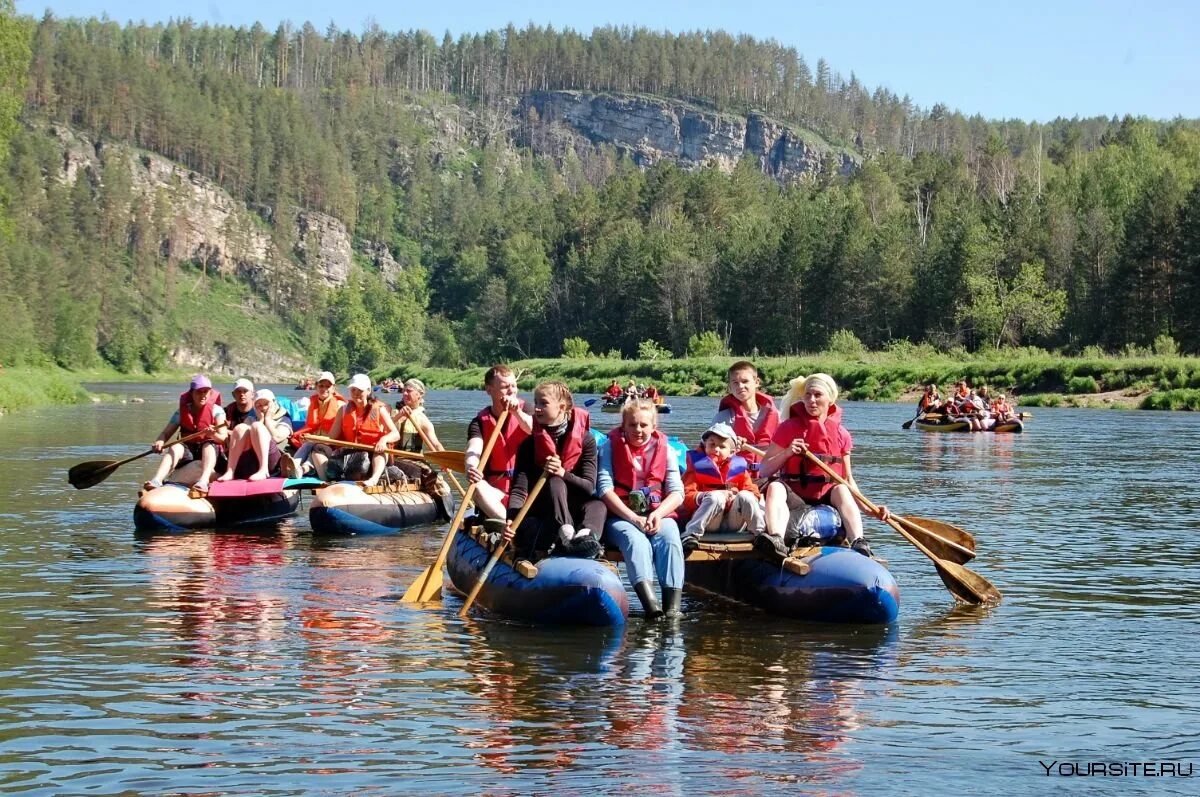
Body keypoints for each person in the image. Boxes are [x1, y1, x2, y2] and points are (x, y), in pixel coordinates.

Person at [757, 373, 887, 558]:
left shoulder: (842, 434)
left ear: (830, 399)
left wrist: (870, 509)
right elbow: (764, 469)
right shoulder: (788, 428)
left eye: (818, 395)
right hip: (794, 495)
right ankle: (776, 539)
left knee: (842, 488)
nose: (811, 400)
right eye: (808, 395)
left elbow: (848, 479)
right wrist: (787, 453)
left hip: (826, 495)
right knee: (776, 486)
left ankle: (859, 541)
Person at [598, 398, 685, 618]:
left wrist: (657, 514)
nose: (638, 430)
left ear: (653, 427)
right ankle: (651, 607)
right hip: (621, 516)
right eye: (632, 425)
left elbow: (677, 491)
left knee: (670, 537)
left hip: (657, 513)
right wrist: (633, 518)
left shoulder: (666, 449)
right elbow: (605, 489)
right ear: (623, 426)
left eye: (644, 425)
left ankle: (673, 609)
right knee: (636, 542)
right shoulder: (609, 446)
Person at [502, 381, 605, 560]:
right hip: (544, 509)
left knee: (598, 505)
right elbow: (519, 490)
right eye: (536, 403)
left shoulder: (586, 441)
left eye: (544, 403)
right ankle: (567, 536)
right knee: (555, 481)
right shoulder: (529, 445)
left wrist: (563, 472)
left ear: (561, 407)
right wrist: (511, 518)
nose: (537, 409)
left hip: (575, 505)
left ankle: (586, 538)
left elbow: (589, 487)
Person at [465, 365, 533, 521]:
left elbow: (533, 429)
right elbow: (473, 449)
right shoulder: (479, 422)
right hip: (497, 493)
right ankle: (505, 524)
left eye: (514, 386)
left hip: (527, 490)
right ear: (489, 390)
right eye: (505, 387)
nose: (511, 391)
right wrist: (471, 467)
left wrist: (517, 412)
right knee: (477, 485)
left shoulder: (528, 410)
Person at [680, 422, 763, 550]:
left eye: (722, 446)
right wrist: (706, 495)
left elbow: (754, 493)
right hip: (709, 523)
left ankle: (760, 534)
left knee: (746, 495)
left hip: (733, 521)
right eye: (712, 444)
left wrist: (734, 496)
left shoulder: (739, 467)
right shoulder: (696, 468)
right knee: (716, 497)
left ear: (732, 452)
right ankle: (690, 534)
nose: (716, 449)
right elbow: (686, 497)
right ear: (705, 445)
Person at [308, 373, 400, 487]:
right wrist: (312, 439)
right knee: (318, 448)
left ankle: (373, 479)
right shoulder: (343, 409)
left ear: (368, 390)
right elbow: (331, 438)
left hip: (372, 452)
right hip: (352, 455)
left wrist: (383, 440)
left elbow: (395, 434)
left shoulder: (379, 409)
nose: (356, 394)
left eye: (360, 390)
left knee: (382, 450)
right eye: (353, 390)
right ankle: (327, 482)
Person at [144, 375, 227, 492]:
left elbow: (223, 438)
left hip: (210, 451)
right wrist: (160, 441)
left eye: (206, 392)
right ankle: (157, 480)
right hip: (189, 451)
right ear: (192, 393)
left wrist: (212, 435)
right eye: (199, 392)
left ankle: (203, 481)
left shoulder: (217, 410)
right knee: (176, 446)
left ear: (210, 392)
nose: (203, 395)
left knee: (208, 444)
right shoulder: (182, 411)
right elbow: (165, 433)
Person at [712, 361, 779, 477]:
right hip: (737, 478)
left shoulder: (777, 415)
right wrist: (731, 444)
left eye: (745, 381)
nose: (740, 387)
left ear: (757, 382)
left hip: (770, 477)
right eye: (735, 383)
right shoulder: (723, 418)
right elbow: (711, 449)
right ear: (730, 387)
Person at [216, 389, 290, 483]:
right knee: (240, 428)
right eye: (259, 405)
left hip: (273, 461)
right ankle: (230, 471)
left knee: (256, 426)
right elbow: (244, 437)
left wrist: (266, 420)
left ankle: (264, 470)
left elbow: (277, 438)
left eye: (266, 404)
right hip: (250, 459)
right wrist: (260, 420)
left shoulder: (284, 419)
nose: (263, 408)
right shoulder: (251, 418)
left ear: (273, 403)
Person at [291, 371, 347, 469]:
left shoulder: (341, 406)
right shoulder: (312, 403)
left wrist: (313, 439)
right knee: (309, 444)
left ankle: (296, 466)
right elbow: (310, 426)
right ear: (316, 387)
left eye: (327, 386)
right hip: (315, 441)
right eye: (321, 386)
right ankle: (297, 467)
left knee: (313, 445)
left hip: (333, 445)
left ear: (333, 388)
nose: (324, 389)